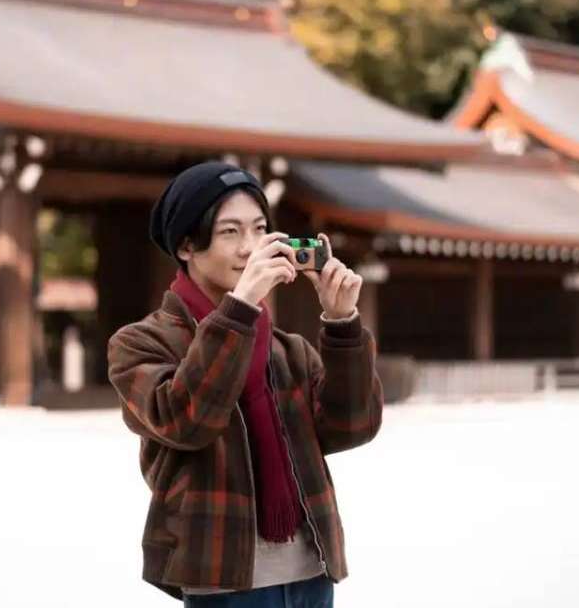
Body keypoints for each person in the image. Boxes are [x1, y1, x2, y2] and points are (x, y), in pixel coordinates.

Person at [107, 161, 384, 606]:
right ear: (186, 245)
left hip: (312, 571)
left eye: (259, 229)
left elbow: (352, 427)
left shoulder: (288, 350)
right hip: (223, 580)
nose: (250, 248)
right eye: (230, 232)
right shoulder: (139, 343)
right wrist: (240, 308)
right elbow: (187, 420)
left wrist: (342, 324)